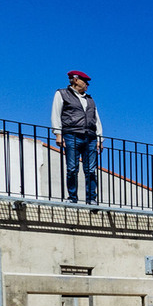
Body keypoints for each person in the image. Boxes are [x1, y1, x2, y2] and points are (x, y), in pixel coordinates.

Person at [51, 70, 103, 205]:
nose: (87, 85)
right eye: (84, 81)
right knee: (72, 168)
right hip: (72, 135)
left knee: (91, 170)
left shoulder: (90, 99)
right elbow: (56, 114)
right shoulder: (61, 94)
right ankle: (72, 197)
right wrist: (58, 134)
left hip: (90, 137)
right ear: (75, 80)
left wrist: (100, 139)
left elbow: (96, 120)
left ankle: (91, 198)